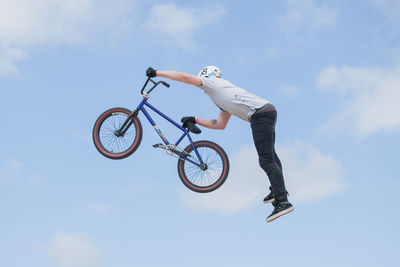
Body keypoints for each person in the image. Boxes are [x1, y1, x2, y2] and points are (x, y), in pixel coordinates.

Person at [146, 66, 294, 222]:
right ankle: (278, 189)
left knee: (265, 158)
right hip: (264, 112)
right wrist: (195, 120)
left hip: (260, 114)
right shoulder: (221, 94)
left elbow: (182, 76)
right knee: (270, 156)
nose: (200, 88)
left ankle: (282, 200)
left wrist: (157, 73)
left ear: (206, 76)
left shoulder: (212, 82)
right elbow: (220, 124)